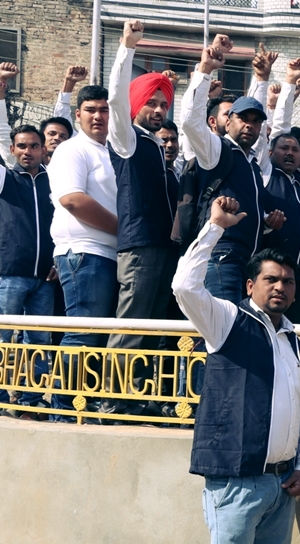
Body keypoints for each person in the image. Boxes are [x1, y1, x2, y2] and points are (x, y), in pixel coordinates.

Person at [172, 196, 300, 544]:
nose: (280, 287)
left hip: (283, 484)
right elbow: (184, 287)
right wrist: (215, 227)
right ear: (251, 286)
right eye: (271, 279)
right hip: (236, 483)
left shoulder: (294, 342)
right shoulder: (227, 321)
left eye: (288, 281)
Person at [180, 34, 281, 304]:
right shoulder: (217, 150)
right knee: (223, 330)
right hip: (221, 253)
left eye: (256, 121)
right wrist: (205, 70)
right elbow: (190, 122)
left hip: (249, 256)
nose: (250, 125)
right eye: (242, 119)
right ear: (229, 122)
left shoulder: (251, 162)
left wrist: (261, 78)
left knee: (235, 330)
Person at [105, 21, 179, 377]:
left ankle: (138, 395)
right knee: (131, 327)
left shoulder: (155, 145)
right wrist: (127, 47)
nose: (158, 109)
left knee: (152, 328)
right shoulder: (127, 139)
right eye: (151, 102)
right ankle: (112, 401)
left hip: (163, 247)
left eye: (163, 104)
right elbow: (116, 100)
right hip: (140, 246)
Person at [48, 83, 120, 418]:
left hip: (108, 254)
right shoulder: (73, 150)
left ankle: (80, 405)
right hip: (84, 252)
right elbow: (73, 200)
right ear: (78, 115)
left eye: (104, 110)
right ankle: (62, 410)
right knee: (83, 333)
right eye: (91, 110)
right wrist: (125, 230)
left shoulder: (112, 151)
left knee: (98, 337)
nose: (98, 116)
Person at [0, 125, 56, 413]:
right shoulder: (6, 179)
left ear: (42, 149)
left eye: (34, 146)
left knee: (38, 340)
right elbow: (1, 129)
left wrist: (58, 259)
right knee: (3, 337)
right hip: (10, 273)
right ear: (12, 149)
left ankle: (30, 399)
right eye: (21, 146)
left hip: (45, 277)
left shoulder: (54, 180)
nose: (28, 151)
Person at [265, 132, 300, 324]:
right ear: (270, 152)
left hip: (298, 274)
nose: (290, 153)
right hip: (270, 275)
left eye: (295, 150)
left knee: (295, 327)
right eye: (284, 148)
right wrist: (267, 224)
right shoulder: (265, 176)